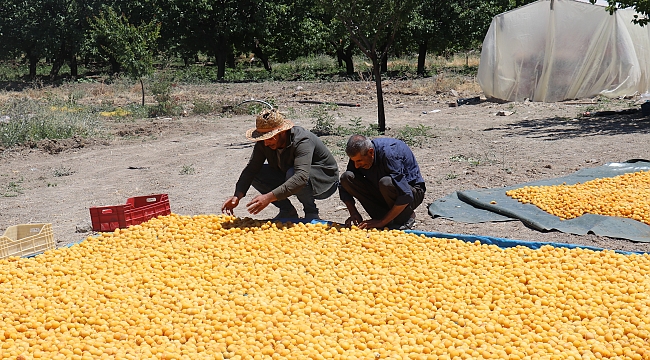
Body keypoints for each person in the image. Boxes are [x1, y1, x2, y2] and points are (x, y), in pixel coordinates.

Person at [221, 108, 339, 220]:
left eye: (270, 138)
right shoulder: (264, 143)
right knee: (257, 174)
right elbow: (251, 170)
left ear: (283, 132)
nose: (266, 143)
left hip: (324, 182)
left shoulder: (302, 140)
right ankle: (287, 211)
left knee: (293, 173)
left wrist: (268, 198)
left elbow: (301, 177)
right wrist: (237, 196)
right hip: (291, 175)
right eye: (263, 138)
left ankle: (311, 212)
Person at [339, 134, 426, 230]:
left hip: (411, 193)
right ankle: (387, 217)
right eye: (354, 161)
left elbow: (405, 194)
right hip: (383, 191)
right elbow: (344, 186)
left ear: (371, 152)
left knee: (386, 182)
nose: (356, 165)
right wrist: (353, 212)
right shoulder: (359, 154)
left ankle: (407, 215)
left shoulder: (390, 154)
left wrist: (382, 222)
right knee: (346, 177)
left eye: (359, 161)